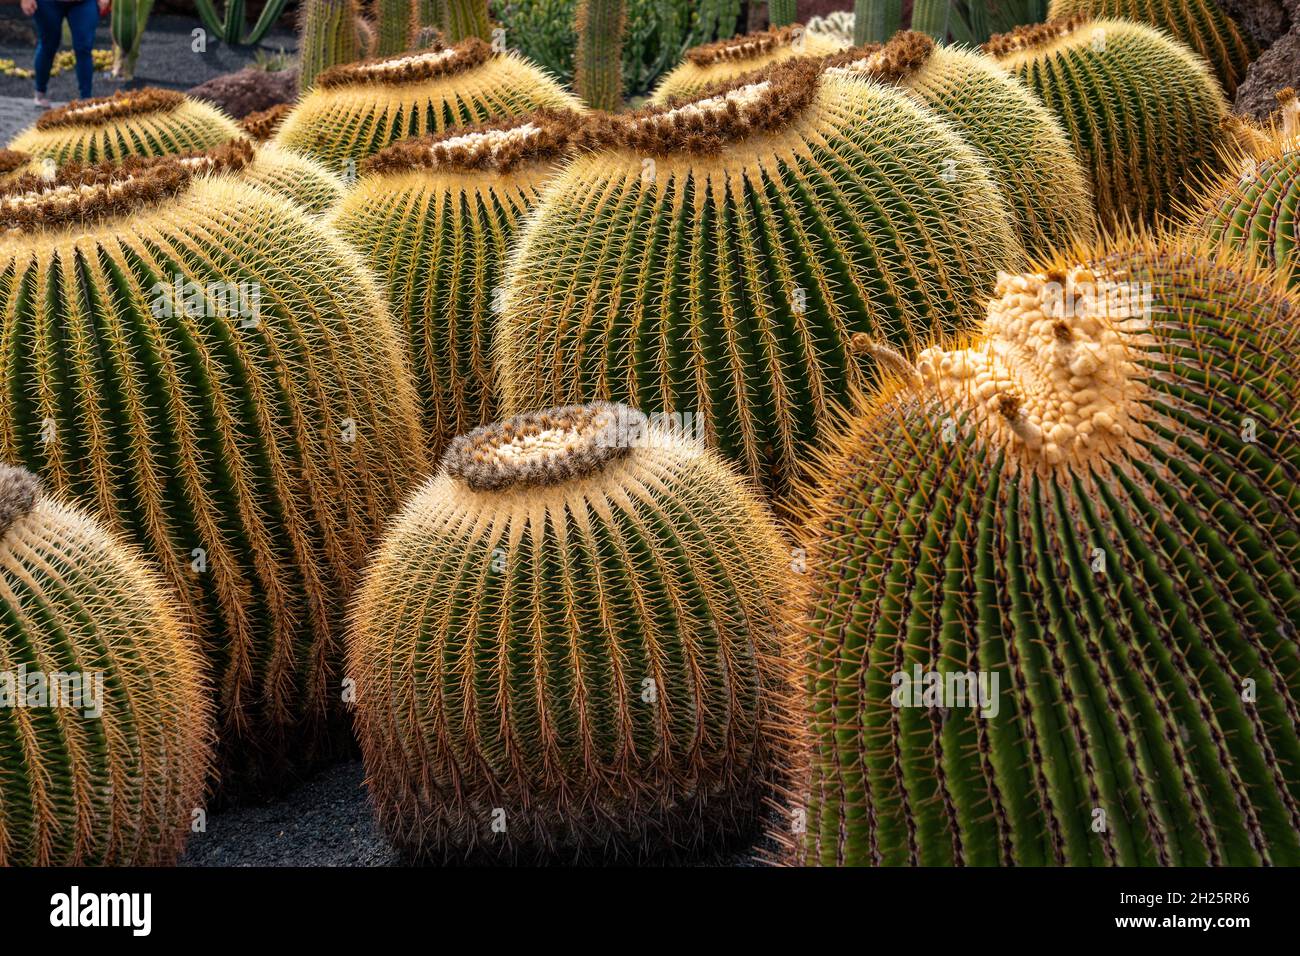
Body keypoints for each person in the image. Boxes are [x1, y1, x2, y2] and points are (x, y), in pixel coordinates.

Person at [19, 0, 110, 108]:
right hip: (47, 3)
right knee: (48, 44)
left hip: (84, 3)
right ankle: (40, 93)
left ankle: (86, 99)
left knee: (84, 47)